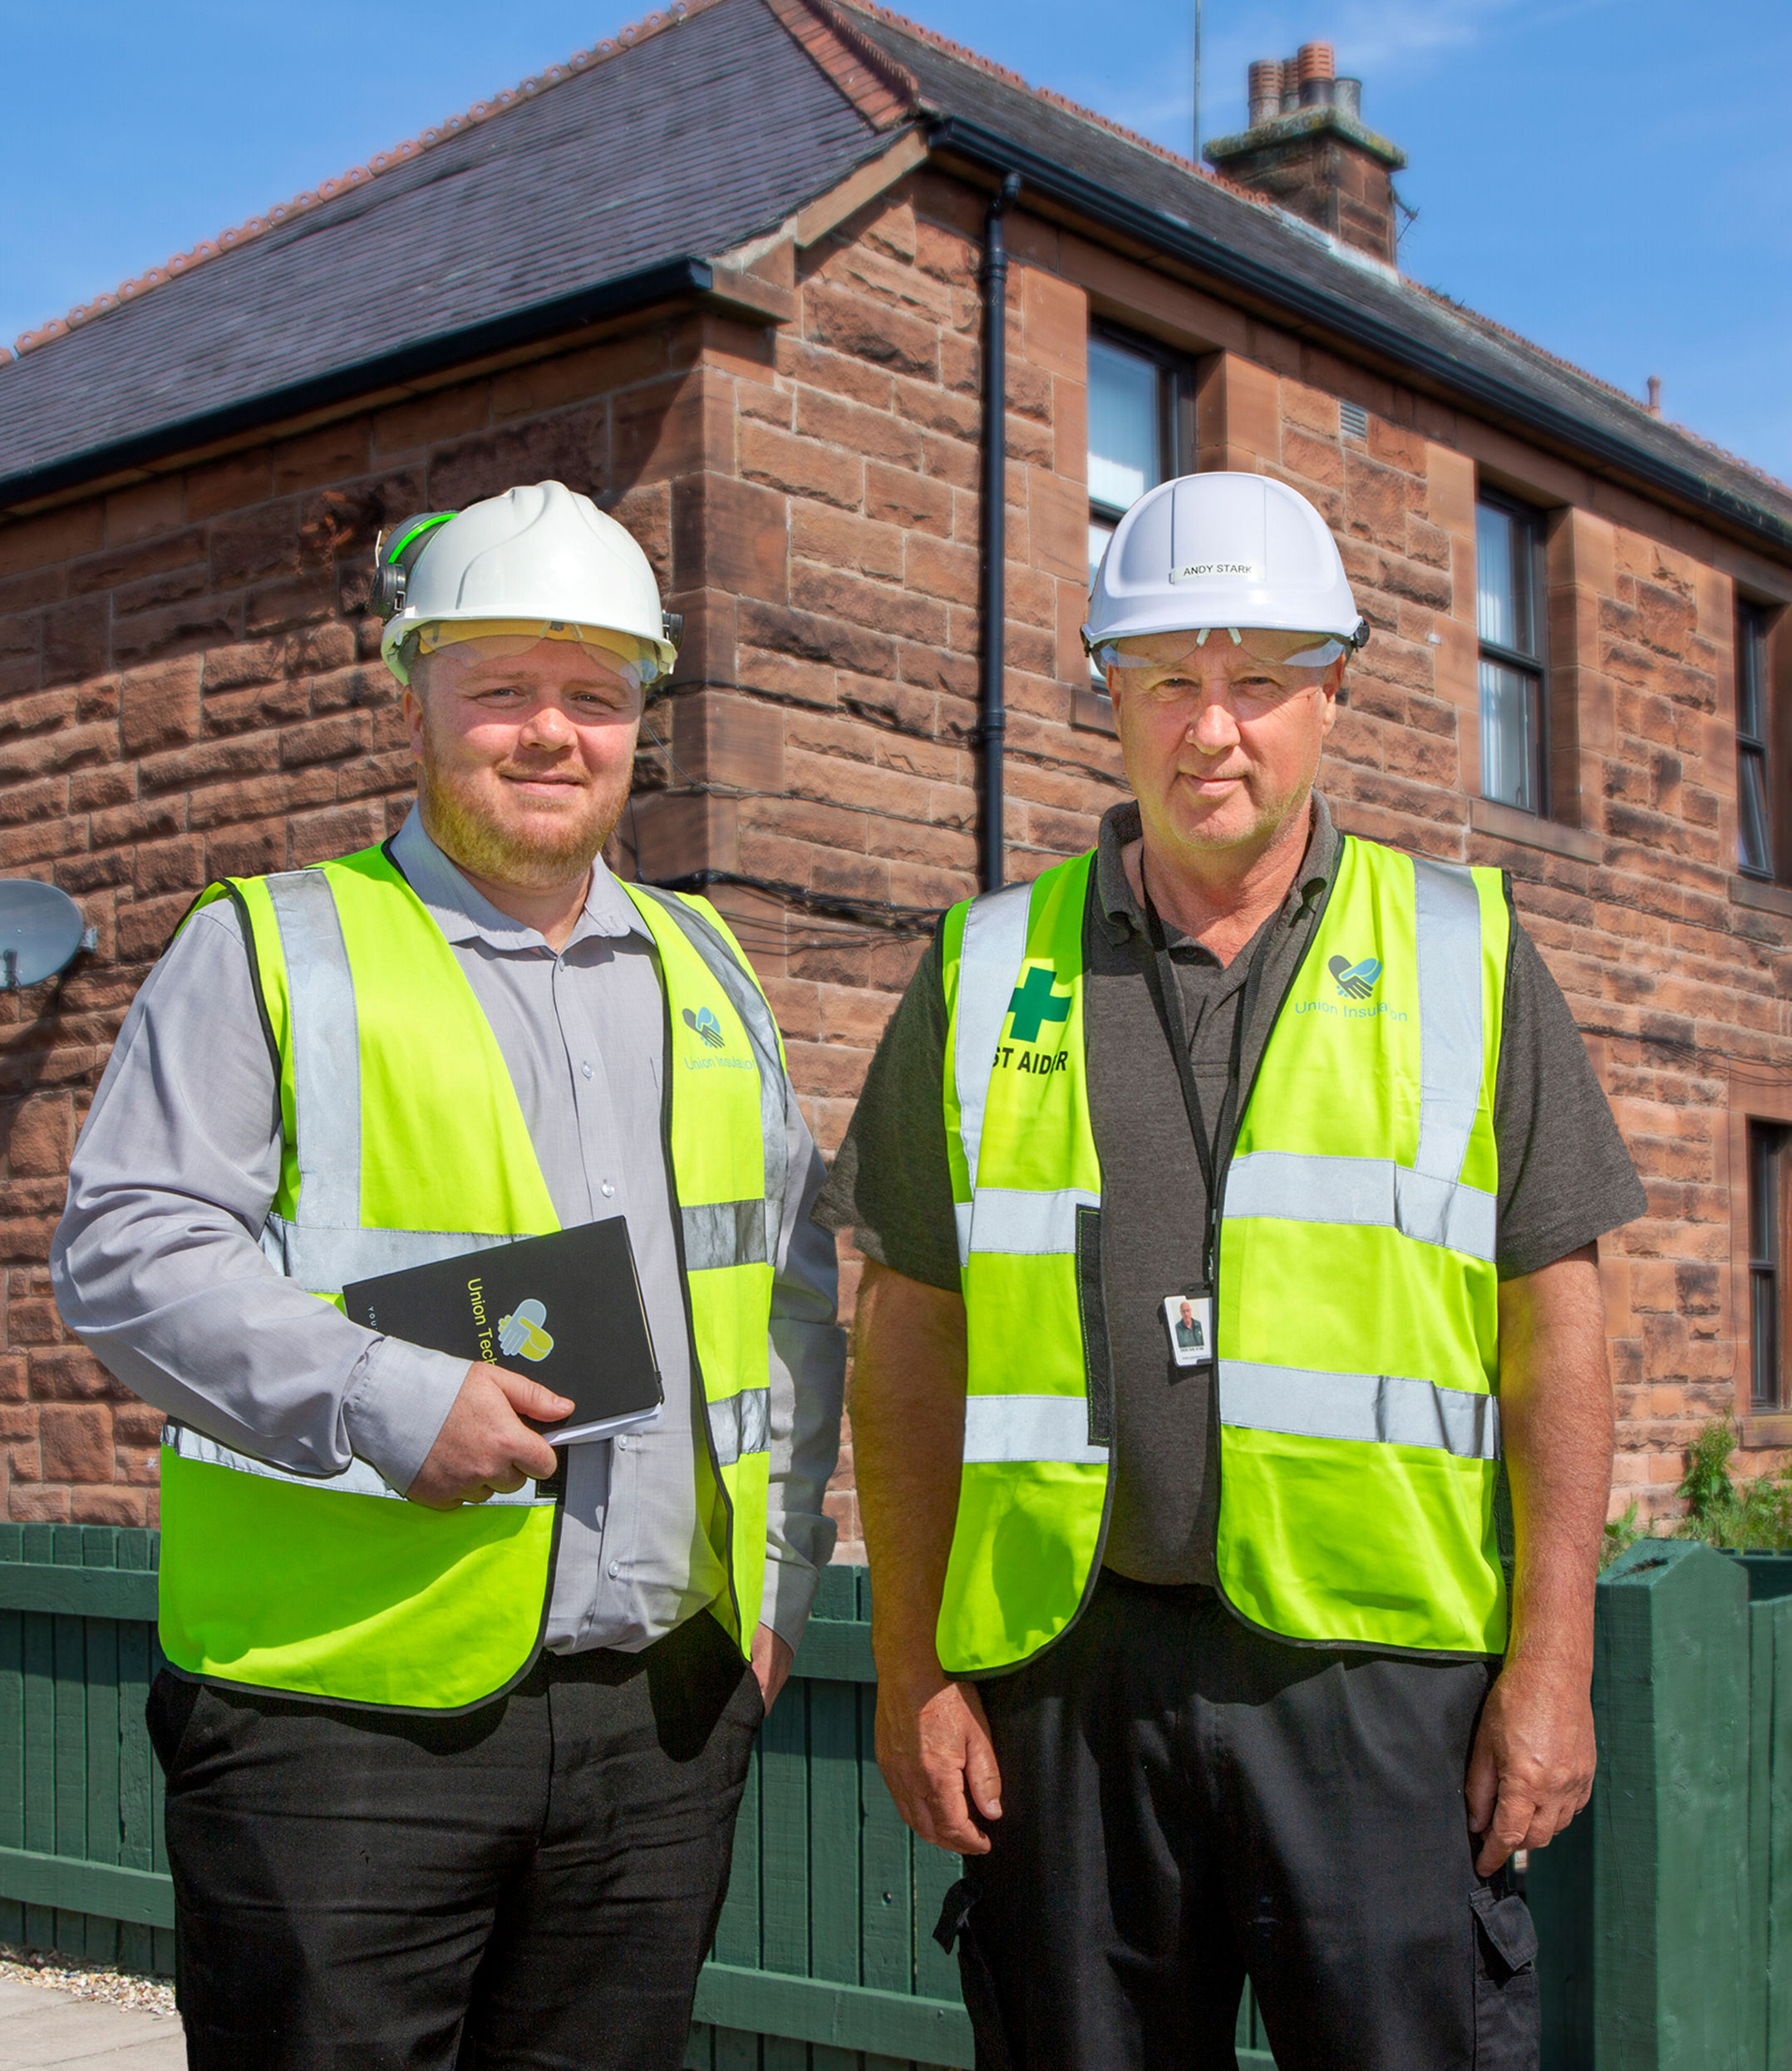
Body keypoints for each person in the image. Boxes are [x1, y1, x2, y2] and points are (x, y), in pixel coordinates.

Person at [819, 471, 1644, 2071]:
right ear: (1107, 694)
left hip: (1384, 1695)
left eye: (1260, 682)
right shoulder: (985, 970)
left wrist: (1554, 1666)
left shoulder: (1468, 955)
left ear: (1333, 694)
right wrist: (914, 1667)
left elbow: (1561, 1330)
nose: (1215, 730)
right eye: (1169, 680)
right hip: (1070, 1686)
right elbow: (907, 1338)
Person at [52, 480, 844, 2071]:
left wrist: (773, 1602)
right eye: (501, 690)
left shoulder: (716, 971)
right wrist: (384, 1394)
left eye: (594, 696)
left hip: (661, 1723)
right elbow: (125, 1250)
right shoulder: (270, 948)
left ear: (641, 721)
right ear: (418, 697)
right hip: (337, 1729)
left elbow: (793, 1297)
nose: (550, 733)